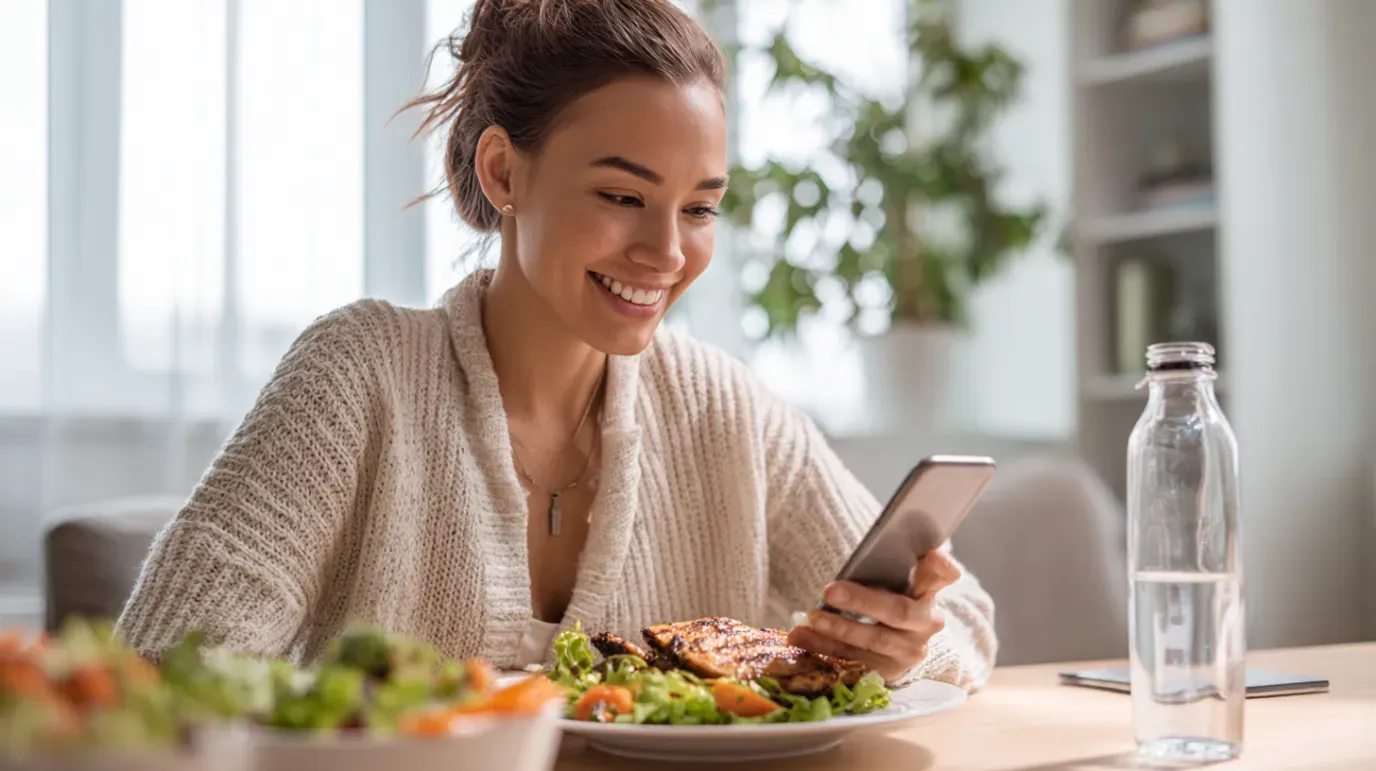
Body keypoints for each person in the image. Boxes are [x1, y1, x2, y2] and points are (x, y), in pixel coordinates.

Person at [116, 0, 997, 692]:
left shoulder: (722, 406)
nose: (666, 253)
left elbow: (966, 623)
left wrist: (900, 644)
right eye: (622, 196)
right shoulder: (360, 375)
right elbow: (160, 666)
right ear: (504, 172)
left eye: (698, 208)